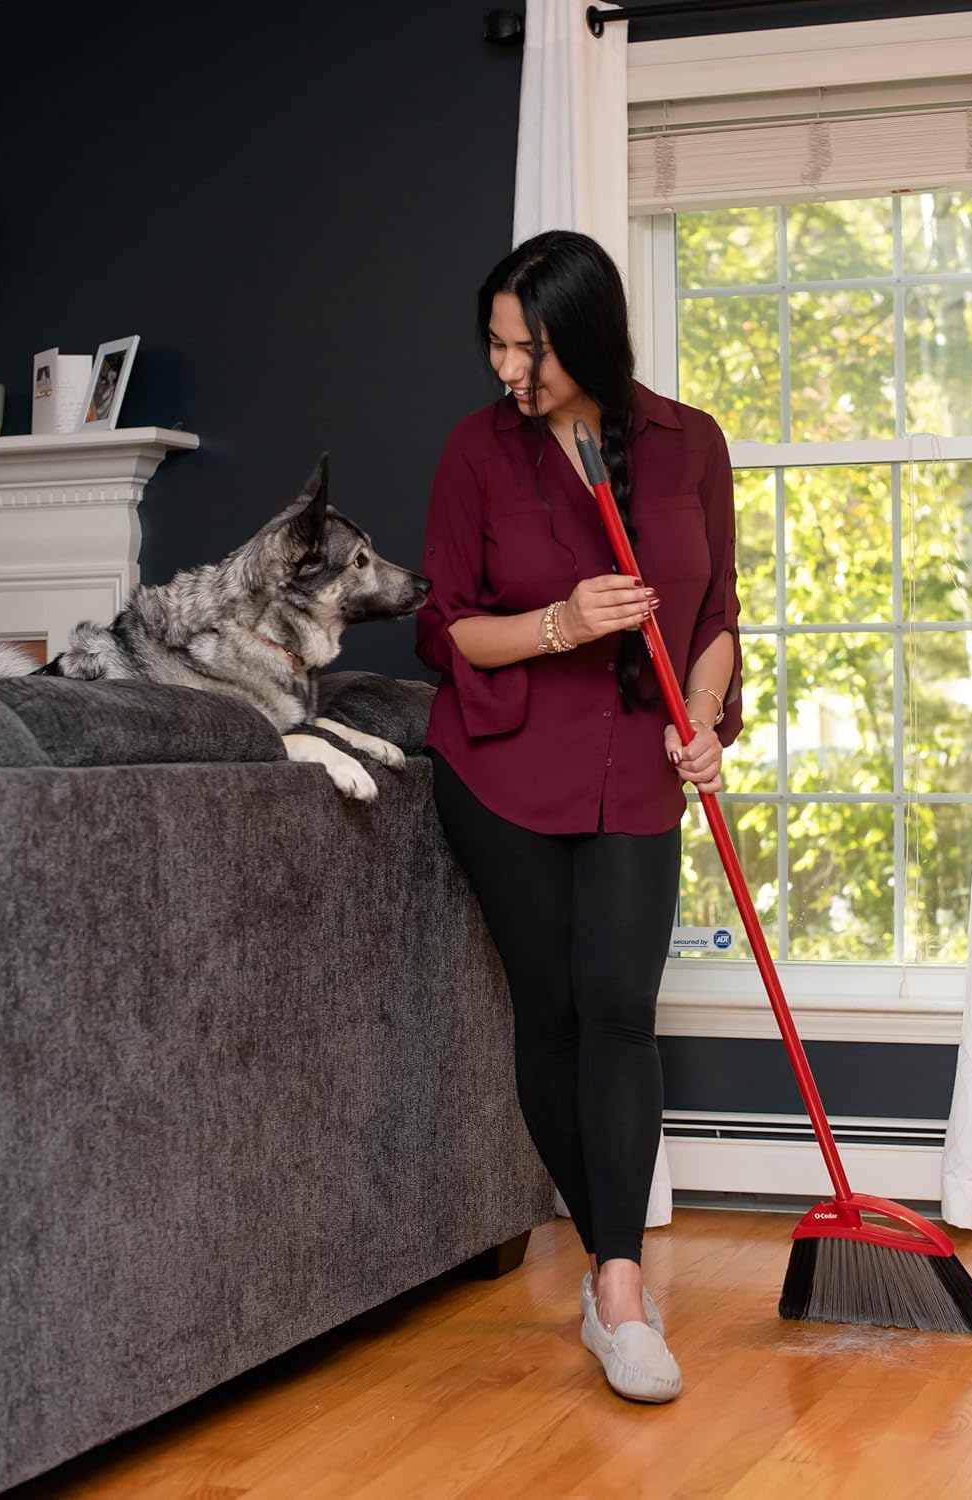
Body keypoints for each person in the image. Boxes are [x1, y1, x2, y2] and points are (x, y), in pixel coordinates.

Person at [416, 230, 741, 1404]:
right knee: (551, 1015)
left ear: (589, 338)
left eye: (530, 349)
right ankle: (620, 1282)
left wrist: (700, 716)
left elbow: (717, 617)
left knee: (619, 1010)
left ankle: (613, 1280)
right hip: (503, 768)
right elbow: (446, 632)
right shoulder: (477, 454)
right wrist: (563, 621)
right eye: (496, 346)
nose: (509, 369)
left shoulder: (687, 444)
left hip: (638, 770)